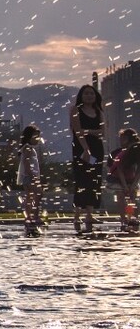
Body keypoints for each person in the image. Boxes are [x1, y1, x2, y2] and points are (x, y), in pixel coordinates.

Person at [70, 84, 105, 234]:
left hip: (97, 149)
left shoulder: (99, 112)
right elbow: (77, 131)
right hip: (81, 149)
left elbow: (102, 132)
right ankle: (77, 214)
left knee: (94, 181)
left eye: (92, 93)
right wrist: (85, 148)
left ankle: (90, 214)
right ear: (81, 96)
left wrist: (88, 131)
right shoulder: (75, 110)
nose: (89, 96)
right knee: (82, 180)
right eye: (86, 93)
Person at [107, 128, 140, 234]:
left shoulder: (136, 150)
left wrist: (134, 184)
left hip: (131, 178)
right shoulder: (119, 153)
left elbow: (139, 170)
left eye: (124, 138)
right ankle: (123, 219)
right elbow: (119, 170)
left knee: (132, 197)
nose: (121, 141)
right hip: (117, 177)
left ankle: (133, 218)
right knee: (120, 195)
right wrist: (125, 186)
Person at [17, 124, 43, 237]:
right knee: (37, 194)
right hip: (30, 176)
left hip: (29, 176)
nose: (37, 139)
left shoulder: (29, 148)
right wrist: (32, 175)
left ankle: (30, 216)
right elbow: (27, 163)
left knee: (31, 196)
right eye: (35, 137)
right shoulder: (27, 148)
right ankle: (34, 215)